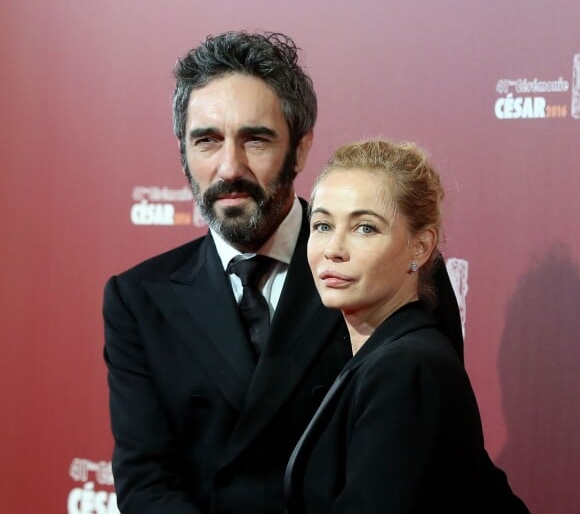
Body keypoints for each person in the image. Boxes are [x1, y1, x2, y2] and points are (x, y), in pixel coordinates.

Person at [103, 32, 463, 514]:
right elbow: (146, 482)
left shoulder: (388, 269)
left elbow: (423, 458)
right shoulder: (138, 298)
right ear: (184, 152)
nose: (230, 167)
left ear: (300, 147)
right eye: (206, 140)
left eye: (255, 138)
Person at [284, 139, 529, 513]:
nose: (333, 248)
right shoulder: (381, 356)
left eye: (365, 228)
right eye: (321, 225)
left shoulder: (405, 368)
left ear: (421, 246)